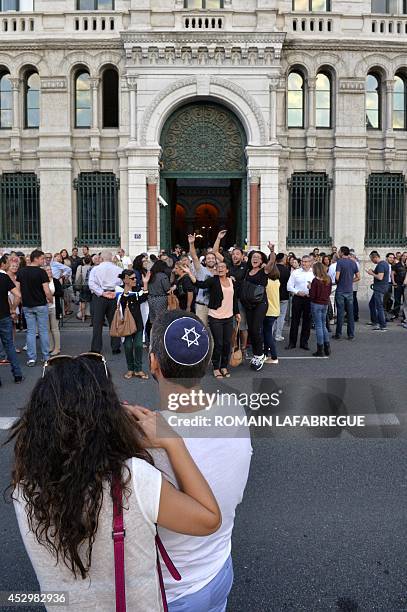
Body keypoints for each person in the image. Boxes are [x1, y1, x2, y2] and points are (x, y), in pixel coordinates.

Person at [8, 353, 221, 612]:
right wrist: (171, 441)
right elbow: (209, 518)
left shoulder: (24, 489)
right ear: (109, 413)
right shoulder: (133, 479)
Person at [139, 310, 252, 612]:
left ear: (153, 362)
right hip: (219, 569)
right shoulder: (234, 409)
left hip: (173, 591)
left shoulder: (146, 445)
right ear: (205, 363)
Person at [186, 261, 241, 378]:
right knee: (219, 343)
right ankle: (216, 367)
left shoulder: (232, 281)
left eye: (223, 267)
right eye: (218, 267)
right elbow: (200, 284)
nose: (220, 268)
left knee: (227, 343)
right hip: (215, 316)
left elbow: (234, 298)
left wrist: (237, 313)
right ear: (216, 270)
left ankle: (224, 366)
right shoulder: (213, 280)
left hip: (228, 317)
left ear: (227, 270)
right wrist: (190, 274)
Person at [240, 243, 276, 371]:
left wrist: (272, 250)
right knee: (251, 330)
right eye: (253, 257)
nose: (255, 259)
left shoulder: (264, 270)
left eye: (258, 257)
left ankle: (260, 354)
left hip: (261, 304)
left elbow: (272, 261)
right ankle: (256, 353)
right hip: (248, 304)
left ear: (261, 261)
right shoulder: (246, 271)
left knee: (256, 329)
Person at [16, 250, 53, 367]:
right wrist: (50, 300)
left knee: (31, 332)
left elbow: (17, 290)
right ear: (36, 258)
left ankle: (32, 358)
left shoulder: (21, 272)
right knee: (43, 331)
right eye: (42, 258)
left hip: (27, 305)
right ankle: (46, 356)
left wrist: (20, 301)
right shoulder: (41, 272)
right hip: (41, 305)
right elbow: (47, 290)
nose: (44, 260)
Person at [116, 269, 150, 380]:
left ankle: (138, 369)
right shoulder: (119, 289)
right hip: (126, 323)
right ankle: (130, 369)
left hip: (138, 322)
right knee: (128, 346)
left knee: (139, 345)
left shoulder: (137, 290)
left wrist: (145, 283)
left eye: (136, 278)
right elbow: (123, 300)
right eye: (132, 278)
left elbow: (144, 297)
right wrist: (127, 285)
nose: (135, 280)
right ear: (126, 279)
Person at [88, 250, 123, 354]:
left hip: (100, 297)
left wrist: (102, 293)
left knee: (97, 323)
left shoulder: (95, 269)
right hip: (113, 295)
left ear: (101, 258)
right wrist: (115, 292)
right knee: (114, 322)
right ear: (111, 258)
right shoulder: (119, 269)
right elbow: (121, 283)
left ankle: (96, 348)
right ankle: (115, 347)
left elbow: (91, 284)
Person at [188, 233, 219, 327]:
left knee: (215, 330)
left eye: (213, 258)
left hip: (216, 306)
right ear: (205, 261)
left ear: (216, 260)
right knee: (202, 329)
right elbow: (194, 257)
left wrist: (218, 238)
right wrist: (192, 243)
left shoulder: (220, 271)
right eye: (208, 258)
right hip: (202, 306)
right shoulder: (201, 269)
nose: (211, 260)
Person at [0, 263, 23, 385]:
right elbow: (18, 294)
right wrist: (13, 308)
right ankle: (17, 375)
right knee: (9, 346)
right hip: (4, 315)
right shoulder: (4, 278)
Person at [286, 255, 314, 350]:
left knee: (307, 321)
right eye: (303, 261)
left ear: (311, 262)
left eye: (306, 261)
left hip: (309, 299)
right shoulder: (295, 272)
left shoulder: (314, 273)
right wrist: (298, 292)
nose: (304, 263)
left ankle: (304, 343)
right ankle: (292, 343)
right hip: (298, 298)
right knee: (295, 321)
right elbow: (289, 286)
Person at [334, 246, 360, 341]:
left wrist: (339, 282)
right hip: (349, 290)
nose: (339, 253)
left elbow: (337, 277)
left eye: (339, 251)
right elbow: (358, 277)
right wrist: (350, 281)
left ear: (342, 252)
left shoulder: (339, 262)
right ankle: (351, 334)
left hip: (340, 290)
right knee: (350, 313)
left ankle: (338, 333)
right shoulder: (353, 263)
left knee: (340, 312)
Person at [227, 247, 249, 357]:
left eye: (237, 254)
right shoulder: (228, 266)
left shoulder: (246, 266)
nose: (235, 256)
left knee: (243, 326)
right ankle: (234, 348)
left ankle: (244, 349)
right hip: (229, 300)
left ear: (242, 256)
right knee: (232, 326)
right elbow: (215, 253)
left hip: (241, 300)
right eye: (233, 254)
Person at [309, 262, 332, 357]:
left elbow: (312, 295)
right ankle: (327, 348)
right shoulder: (328, 279)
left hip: (316, 304)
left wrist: (310, 288)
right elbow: (329, 292)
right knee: (323, 325)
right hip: (325, 303)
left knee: (318, 326)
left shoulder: (315, 281)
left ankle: (320, 349)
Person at [263, 258, 280, 365]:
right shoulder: (277, 281)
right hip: (275, 310)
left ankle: (274, 356)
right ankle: (265, 354)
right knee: (267, 334)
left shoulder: (266, 282)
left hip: (268, 311)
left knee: (268, 335)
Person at [366, 251, 389, 332]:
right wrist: (374, 271)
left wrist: (371, 273)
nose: (372, 261)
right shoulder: (384, 264)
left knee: (379, 307)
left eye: (371, 259)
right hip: (380, 288)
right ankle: (374, 321)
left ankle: (382, 325)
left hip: (379, 288)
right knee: (372, 304)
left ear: (374, 257)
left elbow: (380, 277)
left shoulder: (381, 265)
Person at [44, 266, 61, 357]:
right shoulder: (42, 282)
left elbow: (61, 292)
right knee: (47, 329)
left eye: (50, 269)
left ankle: (57, 348)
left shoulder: (56, 281)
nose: (49, 271)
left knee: (55, 328)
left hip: (54, 307)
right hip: (45, 307)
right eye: (47, 270)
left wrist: (51, 295)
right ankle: (50, 347)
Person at [273, 253, 290, 342]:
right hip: (284, 295)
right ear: (283, 259)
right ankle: (278, 334)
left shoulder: (273, 269)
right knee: (281, 316)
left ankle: (271, 333)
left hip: (273, 295)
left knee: (272, 315)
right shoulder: (287, 270)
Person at [75, 255, 92, 321]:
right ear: (90, 261)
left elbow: (77, 278)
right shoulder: (92, 268)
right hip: (90, 287)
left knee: (82, 302)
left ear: (83, 261)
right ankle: (89, 314)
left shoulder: (80, 267)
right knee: (90, 301)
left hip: (83, 286)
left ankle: (82, 316)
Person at [392, 252, 406, 319]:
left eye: (406, 256)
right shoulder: (397, 265)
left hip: (406, 285)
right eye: (404, 256)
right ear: (401, 257)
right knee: (397, 300)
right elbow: (392, 274)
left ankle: (404, 315)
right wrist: (394, 282)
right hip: (398, 284)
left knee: (405, 301)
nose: (405, 257)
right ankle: (395, 314)